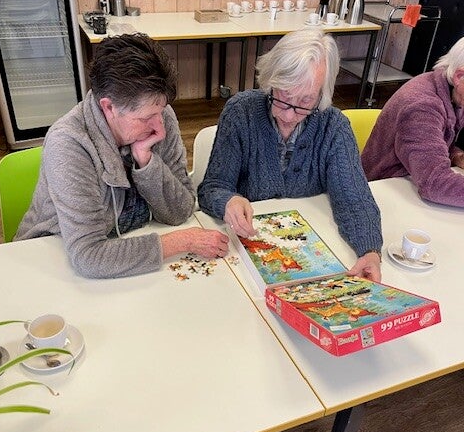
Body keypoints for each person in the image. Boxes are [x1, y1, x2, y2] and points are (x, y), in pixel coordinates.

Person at [15, 33, 228, 278]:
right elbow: (89, 256)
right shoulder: (68, 143)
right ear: (109, 107)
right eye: (146, 118)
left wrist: (147, 163)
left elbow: (181, 211)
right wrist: (181, 242)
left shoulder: (161, 114)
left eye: (161, 110)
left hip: (127, 252)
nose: (159, 127)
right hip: (51, 260)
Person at [198, 29, 383, 282]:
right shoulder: (240, 112)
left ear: (321, 96)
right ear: (271, 81)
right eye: (283, 97)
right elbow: (212, 188)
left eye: (305, 102)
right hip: (245, 252)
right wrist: (228, 201)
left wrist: (370, 251)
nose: (287, 115)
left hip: (307, 251)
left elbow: (354, 199)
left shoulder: (334, 127)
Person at [361, 36, 464, 207]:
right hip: (382, 192)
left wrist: (456, 155)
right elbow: (435, 183)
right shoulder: (422, 106)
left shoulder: (453, 92)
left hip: (411, 183)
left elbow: (435, 141)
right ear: (459, 76)